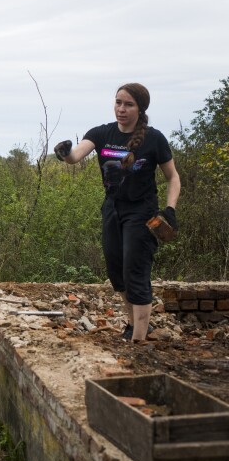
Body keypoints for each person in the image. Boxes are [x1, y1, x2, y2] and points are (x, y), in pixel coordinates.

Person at [54, 83, 180, 342]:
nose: (121, 109)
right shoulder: (102, 133)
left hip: (141, 211)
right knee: (116, 270)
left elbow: (173, 177)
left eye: (128, 104)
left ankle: (139, 340)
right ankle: (133, 325)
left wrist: (170, 209)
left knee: (135, 270)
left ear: (140, 108)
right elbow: (75, 156)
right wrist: (65, 151)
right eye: (118, 102)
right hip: (112, 208)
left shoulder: (154, 138)